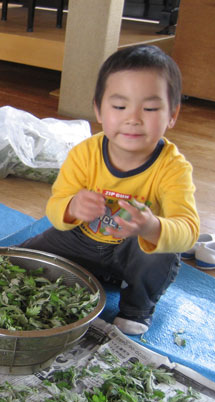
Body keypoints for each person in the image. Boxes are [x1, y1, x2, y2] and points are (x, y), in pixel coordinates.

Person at [19, 45, 199, 335]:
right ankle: (94, 272)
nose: (133, 118)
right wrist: (71, 207)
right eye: (119, 106)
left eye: (150, 109)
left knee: (162, 255)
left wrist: (151, 227)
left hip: (131, 251)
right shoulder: (84, 153)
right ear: (98, 110)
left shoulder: (173, 167)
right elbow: (55, 206)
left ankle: (136, 308)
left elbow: (188, 231)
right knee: (22, 259)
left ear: (172, 114)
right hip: (81, 239)